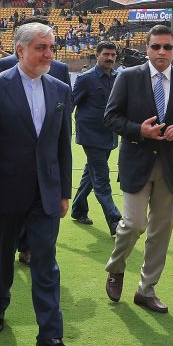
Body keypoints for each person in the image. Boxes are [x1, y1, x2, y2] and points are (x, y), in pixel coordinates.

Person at [0, 21, 78, 346]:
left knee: (46, 262)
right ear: (21, 50)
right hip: (4, 193)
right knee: (1, 256)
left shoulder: (61, 90)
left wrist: (63, 190)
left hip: (45, 193)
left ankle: (50, 337)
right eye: (41, 48)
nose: (48, 54)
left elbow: (63, 146)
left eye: (51, 47)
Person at [103, 24, 173, 314]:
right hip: (136, 160)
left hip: (170, 165)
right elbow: (111, 117)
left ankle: (146, 290)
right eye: (155, 47)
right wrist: (140, 130)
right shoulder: (127, 77)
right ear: (147, 49)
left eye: (167, 47)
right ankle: (116, 267)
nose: (161, 52)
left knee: (160, 231)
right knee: (133, 224)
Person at [70, 41, 123, 235]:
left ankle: (78, 209)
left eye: (113, 55)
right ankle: (115, 221)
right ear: (97, 55)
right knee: (101, 178)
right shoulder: (85, 79)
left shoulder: (118, 77)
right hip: (91, 137)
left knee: (90, 174)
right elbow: (71, 103)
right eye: (106, 54)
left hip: (109, 135)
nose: (110, 58)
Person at [0, 17, 70, 87]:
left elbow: (67, 101)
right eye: (41, 47)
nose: (48, 55)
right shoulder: (4, 65)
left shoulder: (61, 69)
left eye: (52, 48)